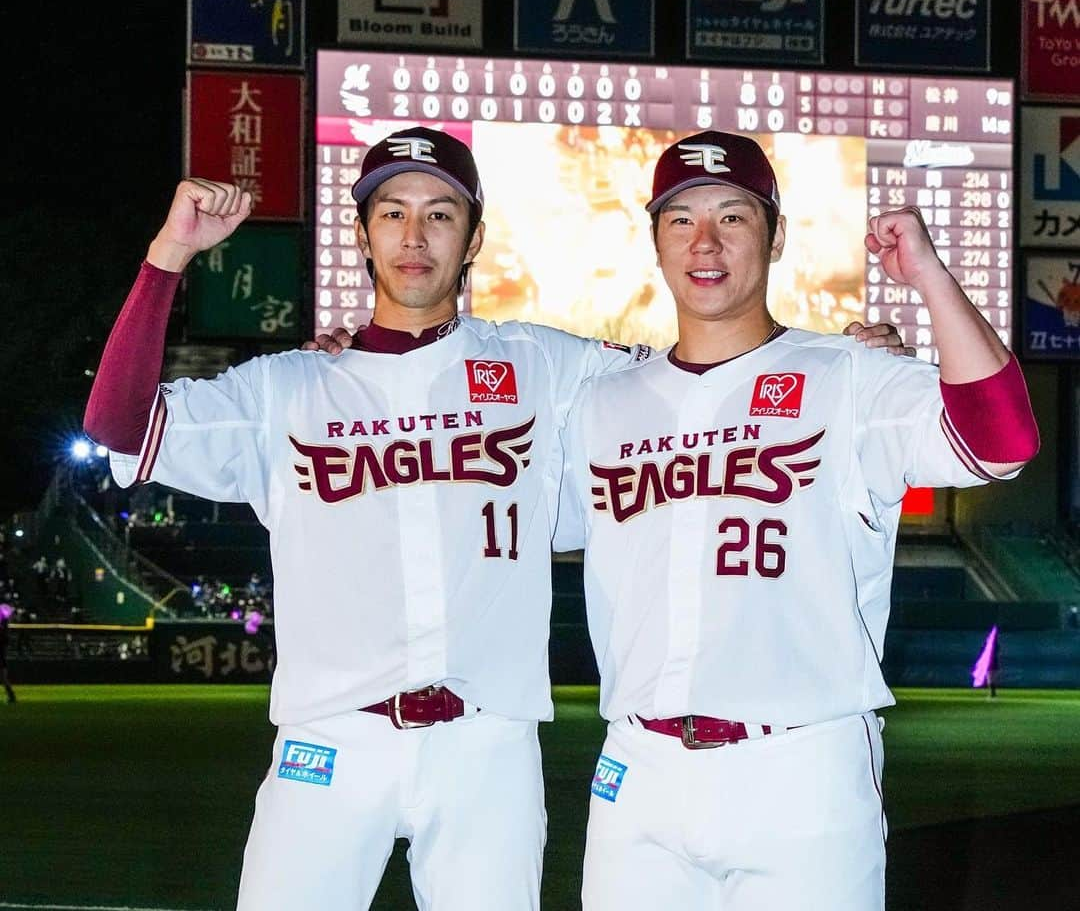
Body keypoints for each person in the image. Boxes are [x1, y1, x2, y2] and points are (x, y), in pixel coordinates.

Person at [84, 127, 908, 911]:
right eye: (392, 213)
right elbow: (118, 423)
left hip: (489, 742)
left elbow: (700, 380)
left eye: (441, 215)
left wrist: (847, 363)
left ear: (474, 239)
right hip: (330, 737)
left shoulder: (543, 365)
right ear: (362, 234)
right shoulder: (288, 387)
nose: (416, 235)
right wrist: (170, 257)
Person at [556, 130, 1040, 911]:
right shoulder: (604, 402)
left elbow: (1003, 442)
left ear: (776, 235)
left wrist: (927, 277)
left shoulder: (847, 375)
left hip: (799, 768)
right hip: (637, 772)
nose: (704, 242)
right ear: (654, 241)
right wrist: (359, 362)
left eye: (733, 217)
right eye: (680, 220)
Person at [0, 603, 16, 703]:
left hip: (0, 655)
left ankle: (12, 696)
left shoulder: (3, 629)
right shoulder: (4, 628)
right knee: (3, 678)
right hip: (2, 655)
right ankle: (11, 696)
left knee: (3, 678)